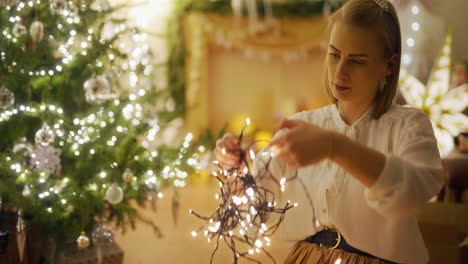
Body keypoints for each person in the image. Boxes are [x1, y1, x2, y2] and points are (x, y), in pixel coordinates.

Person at [214, 0, 444, 263]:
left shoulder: (409, 125)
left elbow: (411, 195)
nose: (340, 72)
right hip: (306, 257)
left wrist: (335, 147)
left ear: (388, 66)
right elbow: (253, 212)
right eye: (334, 55)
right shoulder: (303, 125)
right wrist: (237, 174)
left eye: (356, 61)